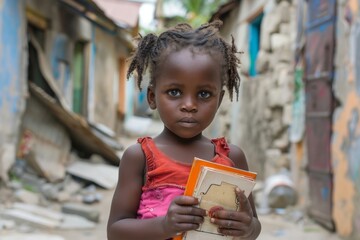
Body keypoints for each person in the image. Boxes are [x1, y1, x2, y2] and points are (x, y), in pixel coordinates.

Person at [107, 20, 261, 240]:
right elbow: (115, 232)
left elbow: (253, 226)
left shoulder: (231, 158)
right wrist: (164, 226)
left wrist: (247, 228)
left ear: (219, 101)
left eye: (205, 94)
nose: (189, 105)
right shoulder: (139, 157)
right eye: (175, 92)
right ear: (152, 97)